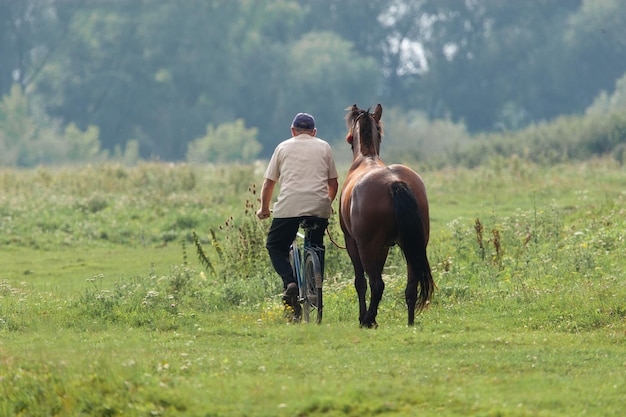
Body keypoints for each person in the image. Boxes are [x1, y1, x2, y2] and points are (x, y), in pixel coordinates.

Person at [257, 112, 339, 315]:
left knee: (275, 245)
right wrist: (326, 203)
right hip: (318, 207)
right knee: (316, 245)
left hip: (289, 208)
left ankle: (290, 282)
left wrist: (264, 209)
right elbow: (333, 183)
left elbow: (269, 183)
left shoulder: (283, 147)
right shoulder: (324, 146)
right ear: (314, 132)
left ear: (293, 130)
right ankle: (315, 285)